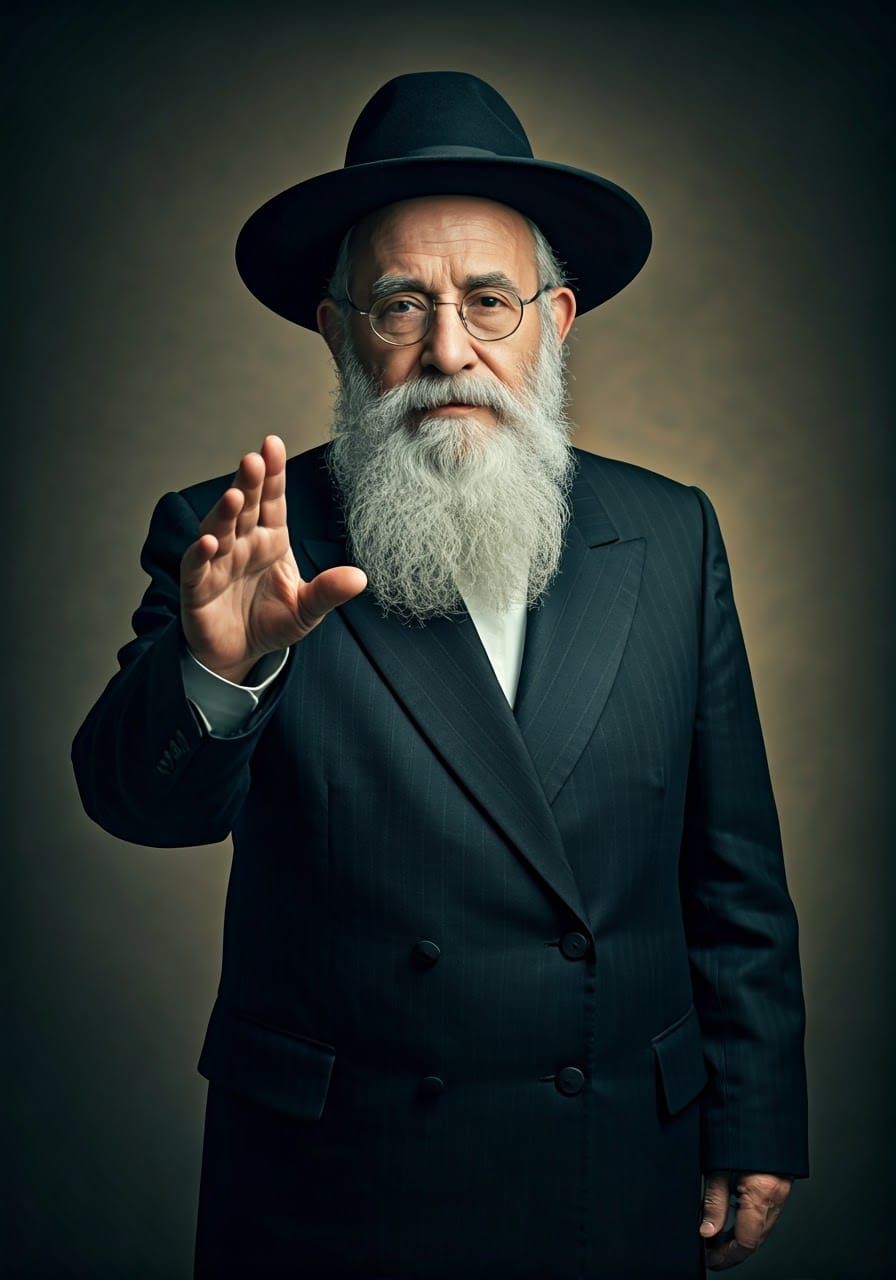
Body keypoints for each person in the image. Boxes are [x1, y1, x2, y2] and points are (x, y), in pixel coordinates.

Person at [71, 71, 809, 1279]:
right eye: (400, 303)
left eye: (487, 300)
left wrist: (755, 1112)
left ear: (556, 320)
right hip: (338, 1190)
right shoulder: (237, 531)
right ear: (337, 328)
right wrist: (219, 665)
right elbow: (135, 803)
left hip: (616, 1157)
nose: (446, 349)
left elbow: (730, 867)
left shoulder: (671, 532)